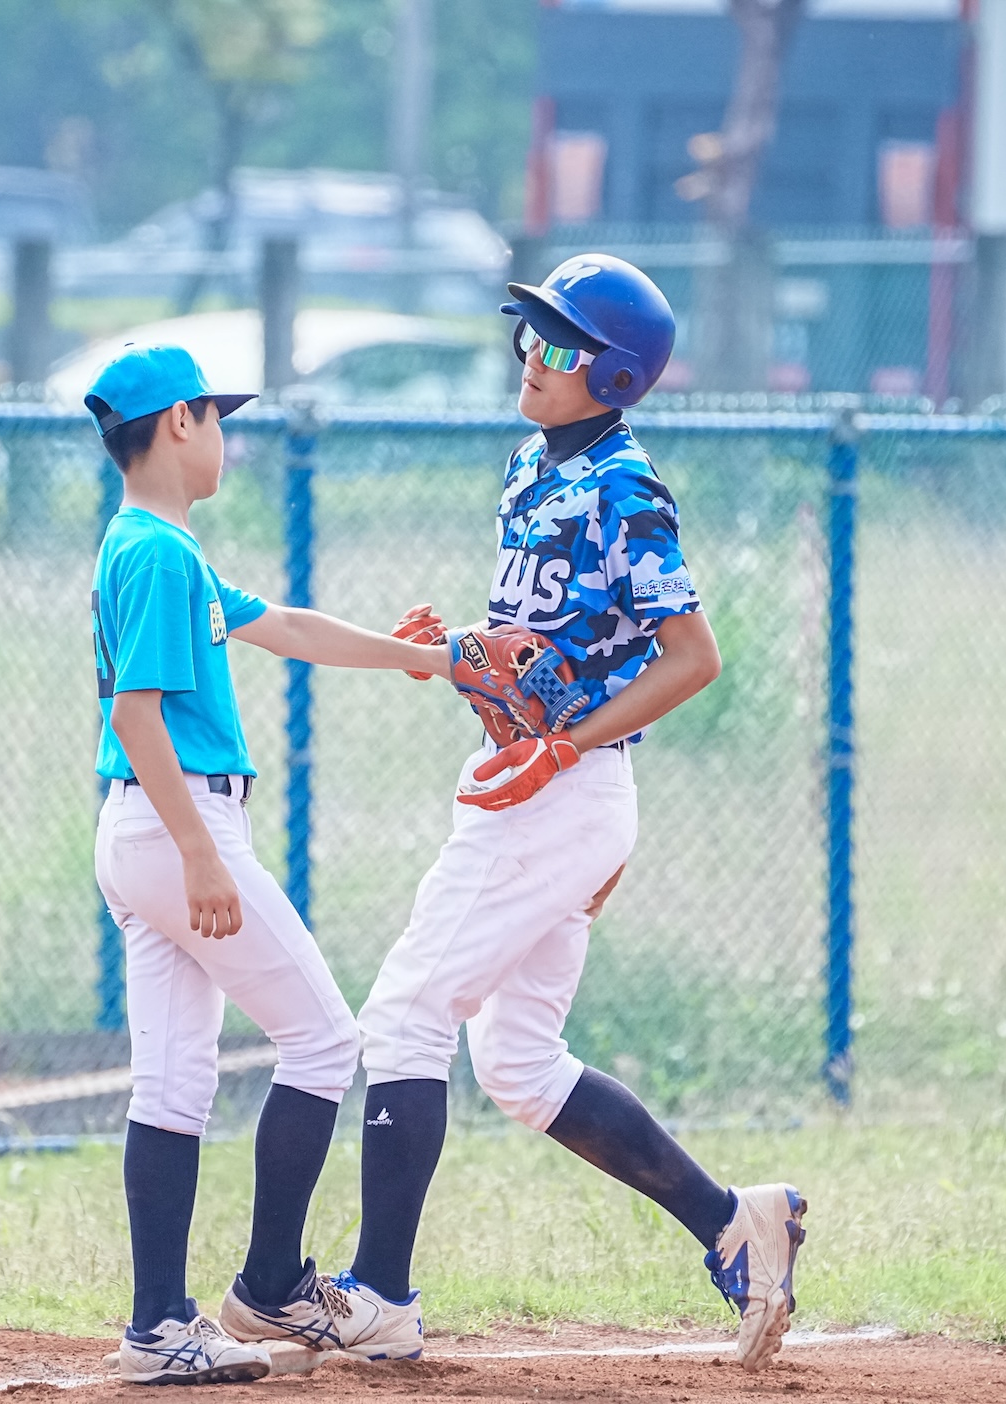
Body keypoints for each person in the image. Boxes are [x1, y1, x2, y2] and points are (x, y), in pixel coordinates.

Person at [345, 256, 810, 1371]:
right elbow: (545, 651)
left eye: (559, 344)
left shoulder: (625, 488)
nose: (532, 357)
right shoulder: (530, 467)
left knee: (405, 1016)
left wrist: (570, 749)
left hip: (563, 791)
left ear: (616, 375)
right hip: (541, 784)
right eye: (529, 334)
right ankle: (733, 1223)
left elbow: (690, 657)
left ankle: (381, 1297)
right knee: (517, 1062)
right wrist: (452, 653)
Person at [85, 345, 450, 1384]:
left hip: (146, 831)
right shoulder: (157, 555)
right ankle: (274, 1285)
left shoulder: (157, 547)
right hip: (179, 825)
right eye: (216, 416)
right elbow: (136, 715)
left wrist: (419, 655)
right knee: (325, 1040)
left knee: (173, 1082)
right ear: (179, 422)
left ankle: (158, 1329)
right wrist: (201, 852)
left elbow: (285, 627)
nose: (224, 436)